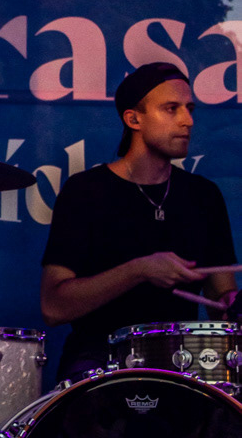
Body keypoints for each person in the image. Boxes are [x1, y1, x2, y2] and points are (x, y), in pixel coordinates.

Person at [41, 61, 237, 380]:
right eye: (171, 109)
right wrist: (140, 270)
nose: (187, 121)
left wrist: (231, 304)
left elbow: (221, 299)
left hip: (181, 363)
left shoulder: (204, 196)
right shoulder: (86, 191)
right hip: (100, 360)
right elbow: (53, 307)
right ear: (133, 119)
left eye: (189, 109)